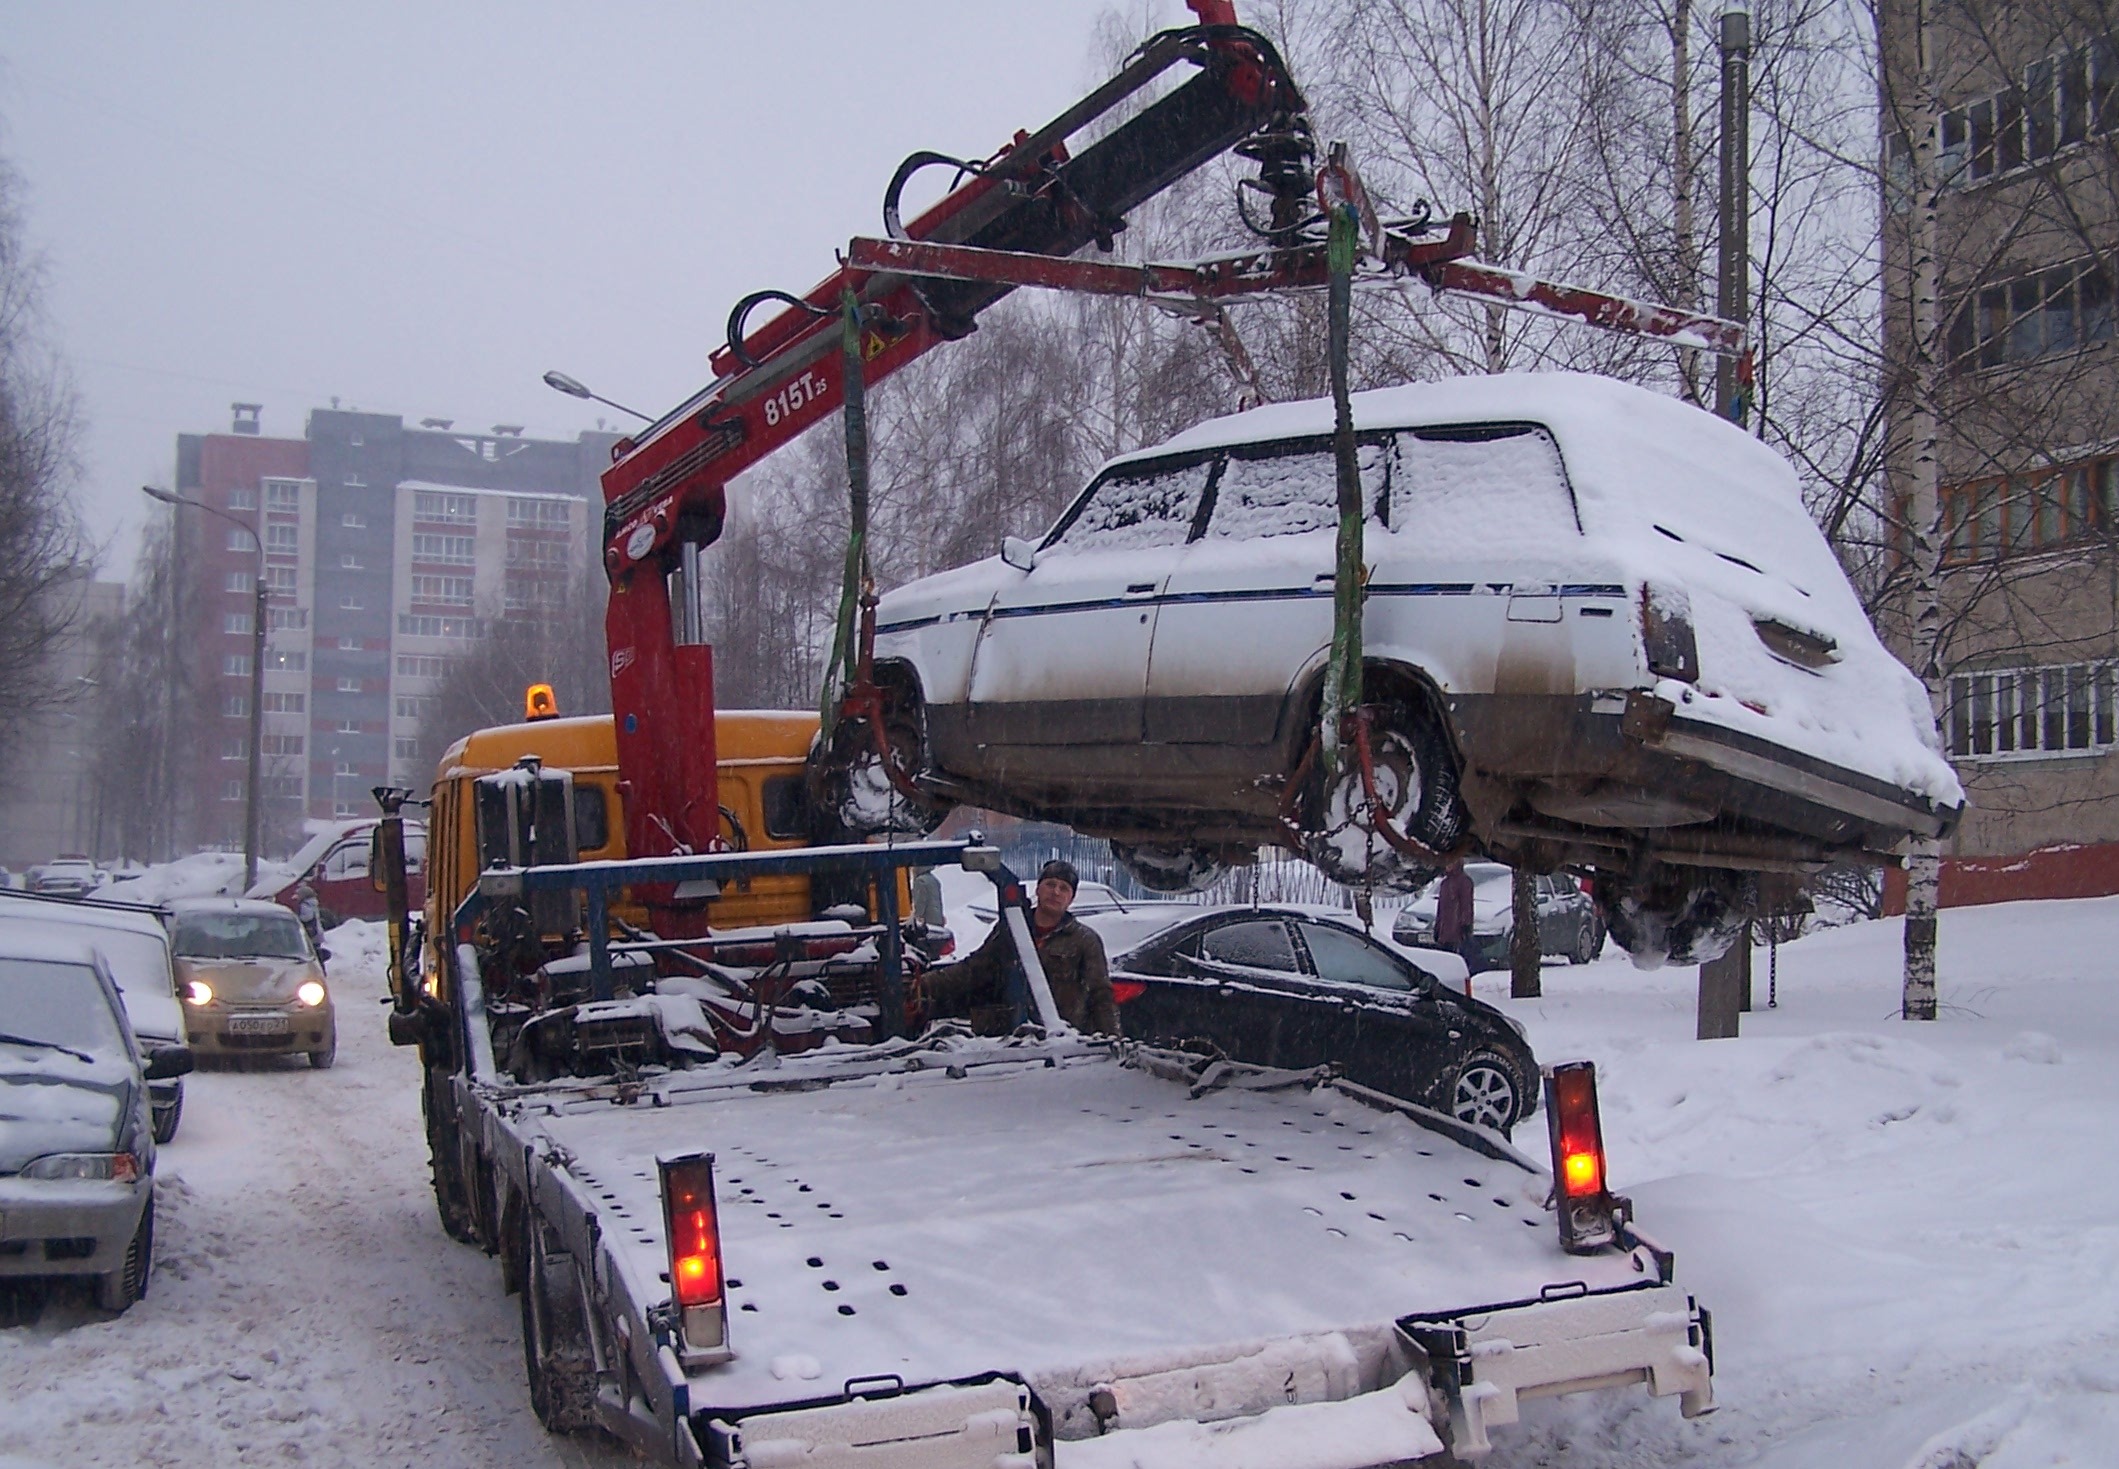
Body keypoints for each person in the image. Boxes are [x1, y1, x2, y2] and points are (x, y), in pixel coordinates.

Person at [920, 858, 1118, 1034]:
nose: (1056, 892)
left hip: (1062, 1043)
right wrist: (925, 984)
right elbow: (974, 968)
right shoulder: (1012, 929)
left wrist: (1112, 1040)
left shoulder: (1085, 941)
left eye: (1064, 888)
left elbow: (1100, 995)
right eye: (1050, 884)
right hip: (1011, 1040)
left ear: (1071, 898)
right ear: (1038, 889)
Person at [1435, 861, 1477, 974]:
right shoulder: (1445, 883)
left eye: (1451, 863)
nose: (1448, 866)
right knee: (1445, 960)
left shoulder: (1464, 882)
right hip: (1444, 932)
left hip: (1457, 930)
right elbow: (1440, 908)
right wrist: (1437, 927)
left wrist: (1465, 925)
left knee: (1459, 958)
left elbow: (1466, 905)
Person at [293, 880, 326, 971]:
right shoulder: (313, 903)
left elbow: (307, 917)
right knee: (317, 952)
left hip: (310, 933)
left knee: (311, 953)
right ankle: (321, 969)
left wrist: (298, 919)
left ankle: (315, 970)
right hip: (317, 932)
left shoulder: (305, 905)